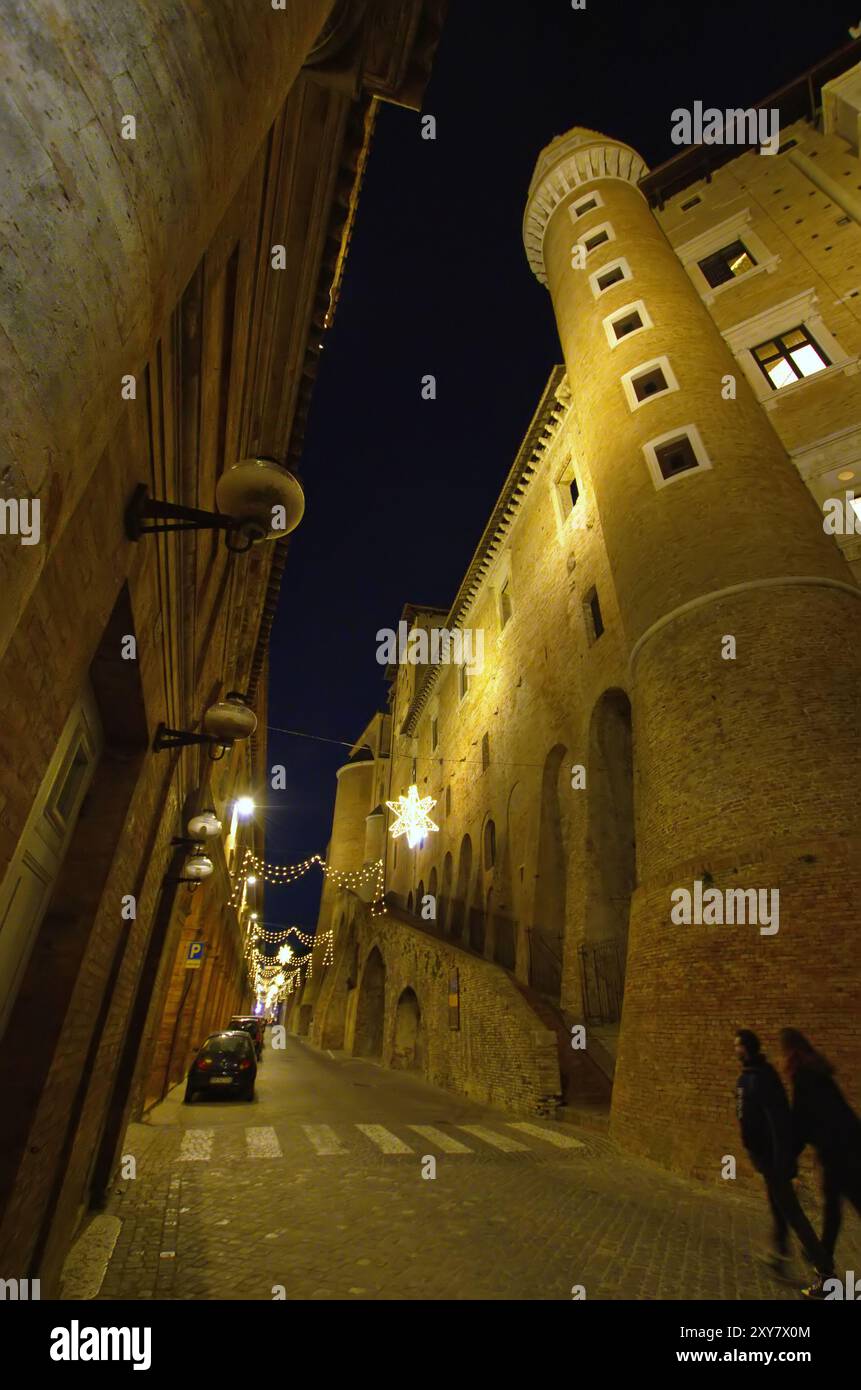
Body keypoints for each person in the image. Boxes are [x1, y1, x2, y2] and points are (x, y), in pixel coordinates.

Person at [734, 1029, 832, 1293]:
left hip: (775, 1161)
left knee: (792, 1213)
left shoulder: (762, 1079)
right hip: (766, 1161)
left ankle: (824, 1270)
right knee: (778, 1207)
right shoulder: (750, 1077)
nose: (736, 1051)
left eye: (739, 1046)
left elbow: (778, 1123)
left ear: (749, 1048)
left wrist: (785, 1164)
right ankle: (781, 1253)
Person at [779, 1027, 861, 1294]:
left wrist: (786, 1159)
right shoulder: (820, 1073)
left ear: (790, 1052)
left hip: (838, 1154)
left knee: (833, 1214)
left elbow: (801, 1123)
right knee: (834, 1213)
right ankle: (824, 1270)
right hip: (848, 1149)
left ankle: (825, 1274)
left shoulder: (805, 1078)